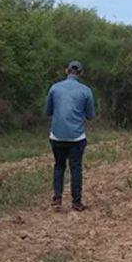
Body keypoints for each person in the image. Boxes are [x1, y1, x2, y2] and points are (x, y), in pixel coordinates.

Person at [45, 61, 95, 211]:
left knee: (59, 166)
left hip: (57, 135)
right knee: (76, 168)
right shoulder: (86, 91)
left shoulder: (54, 88)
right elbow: (90, 115)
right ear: (81, 73)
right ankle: (76, 202)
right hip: (77, 136)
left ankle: (57, 199)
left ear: (66, 70)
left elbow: (48, 111)